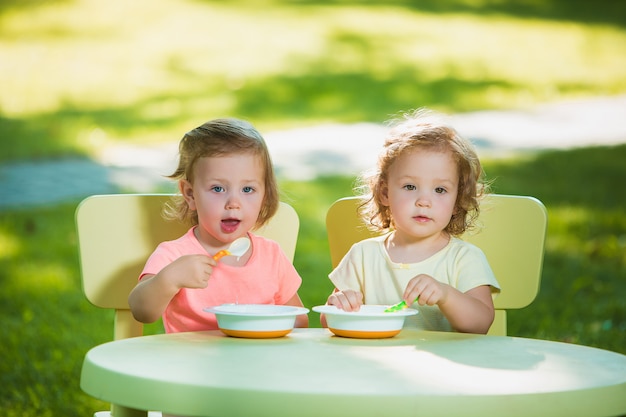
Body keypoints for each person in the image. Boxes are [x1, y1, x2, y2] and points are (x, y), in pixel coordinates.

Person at [323, 109, 500, 334]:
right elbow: (327, 322)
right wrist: (339, 306)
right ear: (385, 193)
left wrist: (446, 295)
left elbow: (481, 324)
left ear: (457, 201)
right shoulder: (362, 256)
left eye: (440, 190)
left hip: (445, 365)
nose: (424, 201)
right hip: (376, 363)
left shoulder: (464, 258)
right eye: (410, 186)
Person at [128, 118, 308, 332]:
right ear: (190, 194)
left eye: (248, 190)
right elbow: (141, 311)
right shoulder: (174, 255)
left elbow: (298, 322)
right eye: (218, 189)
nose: (234, 203)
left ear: (264, 195)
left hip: (257, 362)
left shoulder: (271, 255)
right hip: (192, 362)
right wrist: (169, 279)